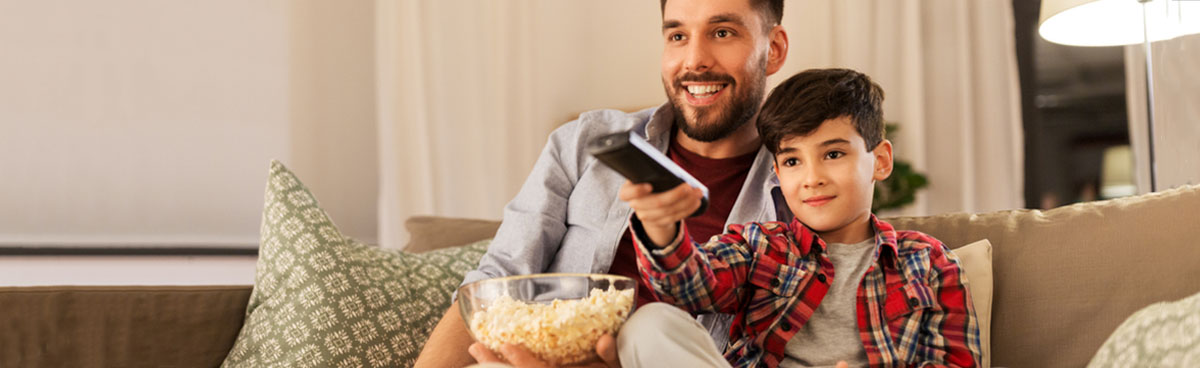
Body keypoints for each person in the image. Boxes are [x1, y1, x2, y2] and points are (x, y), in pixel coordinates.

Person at [413, 0, 790, 366]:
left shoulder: (804, 189)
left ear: (772, 49)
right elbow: (497, 283)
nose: (694, 60)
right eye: (677, 36)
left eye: (722, 33)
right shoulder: (580, 143)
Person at [619, 68, 983, 367]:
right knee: (649, 325)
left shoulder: (929, 261)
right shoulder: (760, 246)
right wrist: (661, 229)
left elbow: (954, 361)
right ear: (777, 172)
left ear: (881, 161)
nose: (812, 178)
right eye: (793, 161)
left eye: (834, 154)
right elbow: (691, 286)